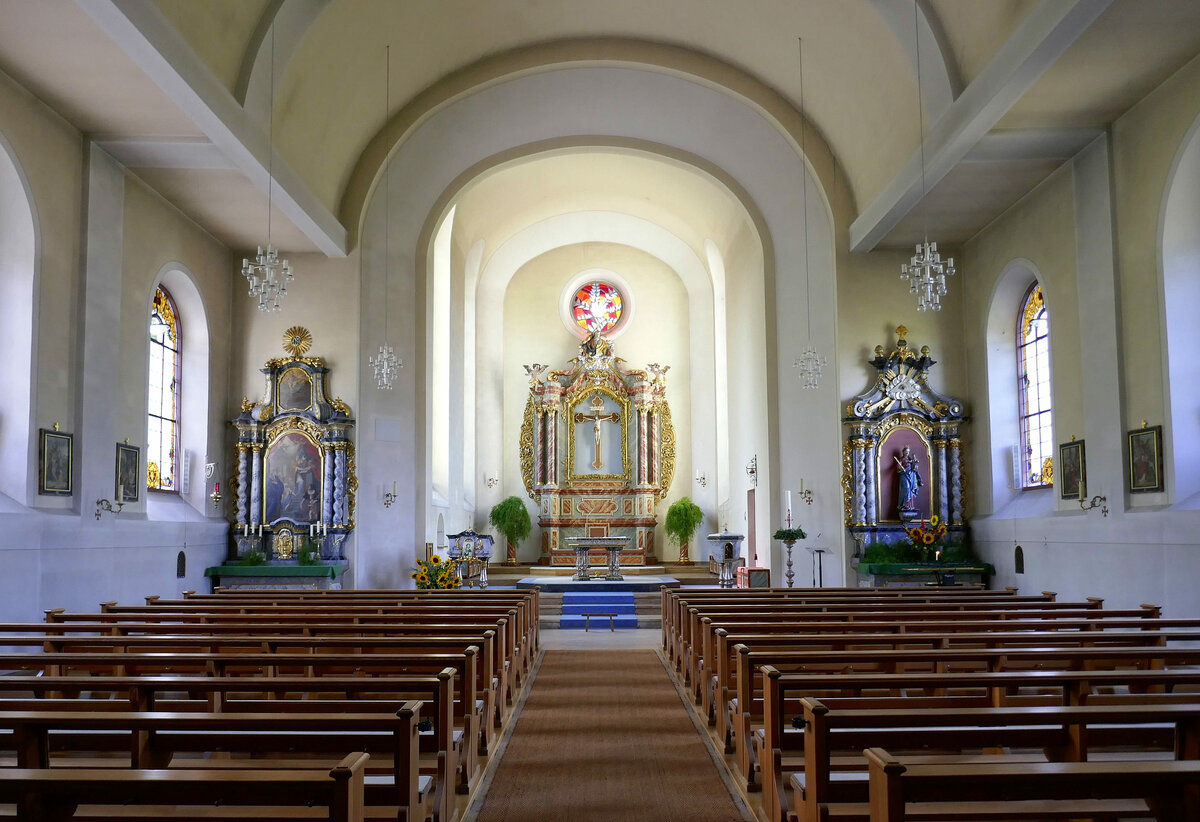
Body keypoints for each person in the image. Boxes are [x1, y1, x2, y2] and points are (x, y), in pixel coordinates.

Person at [894, 445, 923, 511]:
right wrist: (901, 468)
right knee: (906, 488)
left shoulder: (910, 459)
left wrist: (914, 465)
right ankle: (904, 505)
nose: (907, 453)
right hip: (904, 475)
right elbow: (898, 469)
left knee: (910, 490)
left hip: (911, 476)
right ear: (903, 452)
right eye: (906, 452)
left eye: (908, 452)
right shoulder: (901, 460)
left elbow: (915, 467)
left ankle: (910, 505)